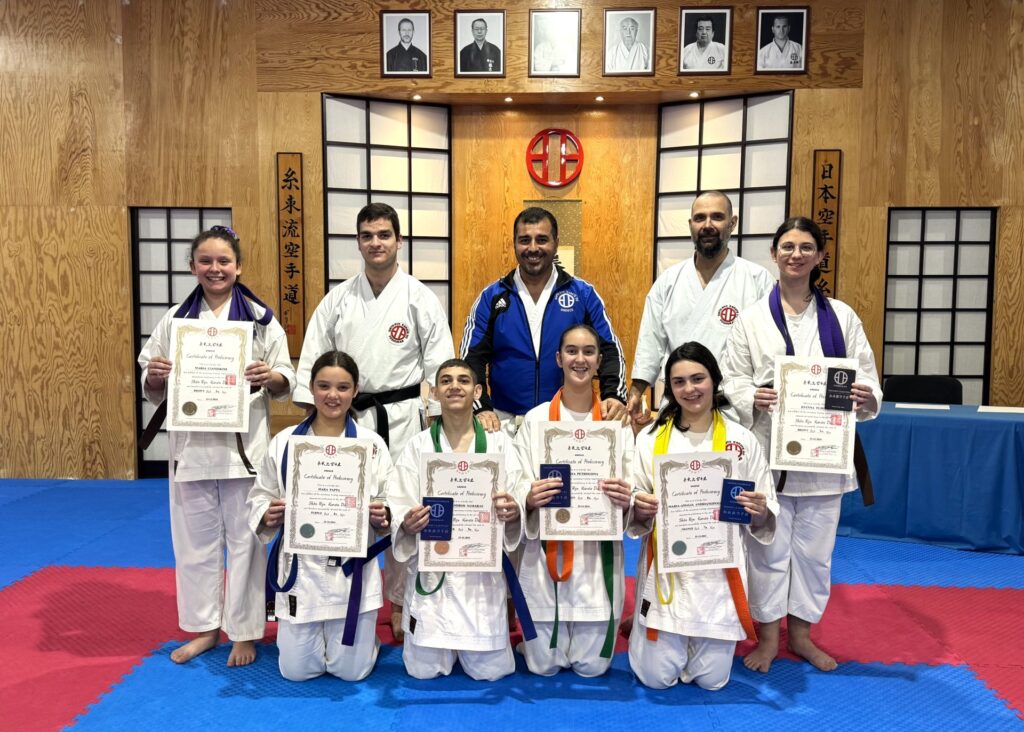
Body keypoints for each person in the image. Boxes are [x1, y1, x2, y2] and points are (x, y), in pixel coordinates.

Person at [720, 217, 881, 673]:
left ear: (820, 256)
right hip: (770, 454)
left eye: (806, 247)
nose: (796, 254)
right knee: (768, 551)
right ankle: (769, 639)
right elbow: (731, 378)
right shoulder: (752, 319)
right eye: (787, 246)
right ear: (774, 254)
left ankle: (803, 636)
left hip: (825, 459)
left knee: (814, 555)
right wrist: (753, 395)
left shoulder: (843, 317)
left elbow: (867, 376)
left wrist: (866, 395)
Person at [294, 202, 454, 642]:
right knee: (348, 506)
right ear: (359, 242)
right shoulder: (338, 300)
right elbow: (314, 363)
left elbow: (440, 367)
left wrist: (438, 428)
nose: (376, 243)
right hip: (350, 418)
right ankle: (347, 596)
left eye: (384, 235)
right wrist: (314, 426)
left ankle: (400, 604)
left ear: (399, 241)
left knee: (402, 511)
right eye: (367, 236)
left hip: (404, 419)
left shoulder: (420, 298)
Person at [138, 225, 295, 666]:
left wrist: (271, 376)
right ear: (192, 267)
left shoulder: (261, 320)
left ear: (238, 266)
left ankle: (244, 632)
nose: (215, 268)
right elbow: (150, 376)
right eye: (205, 261)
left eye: (224, 261)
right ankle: (205, 629)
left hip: (243, 452)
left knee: (247, 542)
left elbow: (286, 376)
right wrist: (155, 375)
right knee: (195, 545)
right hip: (191, 450)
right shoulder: (175, 320)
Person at [628, 342, 777, 690]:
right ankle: (644, 629)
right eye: (678, 382)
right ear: (669, 388)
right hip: (667, 577)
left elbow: (766, 510)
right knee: (656, 679)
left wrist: (759, 511)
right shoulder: (650, 438)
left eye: (698, 378)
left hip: (717, 579)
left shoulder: (742, 440)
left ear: (715, 380)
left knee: (712, 680)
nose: (690, 389)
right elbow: (635, 496)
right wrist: (639, 505)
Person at [249, 351, 393, 681]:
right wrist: (267, 513)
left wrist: (383, 514)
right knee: (296, 671)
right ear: (311, 388)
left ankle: (365, 642)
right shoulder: (285, 442)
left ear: (355, 391)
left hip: (351, 571)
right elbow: (260, 494)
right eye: (324, 386)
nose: (333, 395)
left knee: (351, 672)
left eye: (343, 387)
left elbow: (390, 499)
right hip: (303, 571)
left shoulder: (371, 444)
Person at [390, 359, 526, 681]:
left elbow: (520, 490)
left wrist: (514, 509)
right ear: (435, 393)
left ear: (477, 391)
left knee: (493, 672)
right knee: (423, 671)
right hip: (432, 577)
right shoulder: (418, 446)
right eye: (446, 381)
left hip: (480, 579)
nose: (454, 386)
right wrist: (406, 522)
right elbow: (398, 500)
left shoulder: (499, 444)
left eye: (463, 380)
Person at [514, 324, 633, 677]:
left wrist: (627, 496)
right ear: (558, 358)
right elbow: (517, 478)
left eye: (588, 352)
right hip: (545, 557)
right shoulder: (536, 420)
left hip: (596, 559)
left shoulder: (616, 423)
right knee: (544, 667)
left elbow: (634, 480)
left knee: (592, 668)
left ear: (599, 361)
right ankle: (533, 642)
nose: (580, 359)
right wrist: (528, 497)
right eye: (571, 351)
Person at [461, 207, 628, 437]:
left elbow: (609, 349)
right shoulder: (492, 297)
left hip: (566, 420)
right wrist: (481, 407)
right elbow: (472, 358)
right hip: (504, 421)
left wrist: (613, 395)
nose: (533, 248)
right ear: (514, 244)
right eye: (524, 240)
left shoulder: (582, 294)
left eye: (541, 240)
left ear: (556, 243)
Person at [628, 191, 774, 427]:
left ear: (732, 223)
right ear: (691, 225)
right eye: (699, 218)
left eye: (717, 217)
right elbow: (650, 343)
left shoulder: (757, 280)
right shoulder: (668, 282)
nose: (707, 225)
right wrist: (636, 391)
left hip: (734, 408)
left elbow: (768, 349)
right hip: (679, 403)